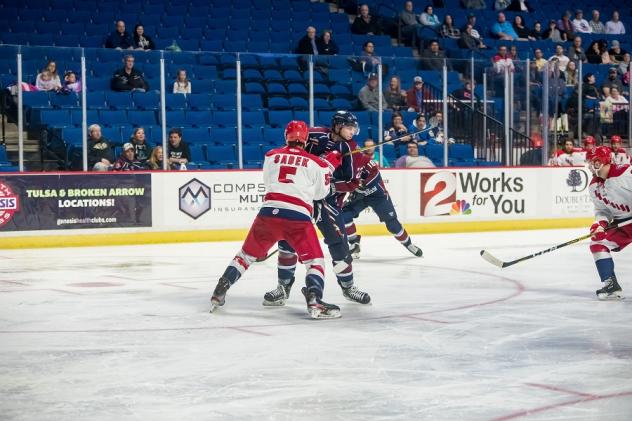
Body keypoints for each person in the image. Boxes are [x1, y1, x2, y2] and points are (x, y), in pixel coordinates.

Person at [210, 121, 343, 319]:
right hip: (297, 217)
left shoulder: (271, 156)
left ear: (286, 137)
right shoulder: (316, 163)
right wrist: (329, 166)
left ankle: (220, 289)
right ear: (305, 139)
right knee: (315, 261)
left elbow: (270, 181)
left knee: (245, 256)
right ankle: (315, 299)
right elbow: (319, 194)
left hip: (268, 214)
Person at [262, 112, 372, 307]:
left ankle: (348, 287)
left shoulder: (350, 148)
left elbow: (352, 182)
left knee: (339, 245)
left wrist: (328, 185)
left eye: (354, 127)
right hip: (302, 198)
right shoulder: (314, 134)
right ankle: (283, 288)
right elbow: (293, 145)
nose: (353, 131)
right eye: (349, 126)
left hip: (327, 201)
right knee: (286, 243)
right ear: (337, 126)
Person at [341, 143, 424, 259]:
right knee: (343, 215)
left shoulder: (365, 160)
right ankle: (354, 243)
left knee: (392, 224)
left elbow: (375, 175)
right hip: (359, 196)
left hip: (377, 196)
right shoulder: (345, 164)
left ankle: (409, 244)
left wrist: (360, 185)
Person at [585, 146, 632, 300]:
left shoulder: (625, 173)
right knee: (597, 243)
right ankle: (611, 285)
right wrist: (600, 224)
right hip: (623, 223)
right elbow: (601, 210)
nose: (590, 166)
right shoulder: (593, 186)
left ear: (601, 162)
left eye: (593, 162)